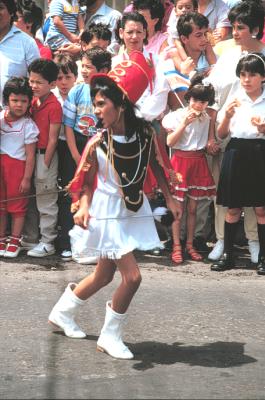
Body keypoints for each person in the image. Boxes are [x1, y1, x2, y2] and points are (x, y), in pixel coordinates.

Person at [48, 50, 180, 360]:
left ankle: (62, 313)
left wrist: (171, 198)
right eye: (95, 102)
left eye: (101, 103)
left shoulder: (146, 134)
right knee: (132, 277)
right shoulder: (97, 142)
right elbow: (83, 180)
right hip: (107, 213)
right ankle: (110, 335)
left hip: (132, 210)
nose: (96, 109)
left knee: (104, 275)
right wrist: (82, 206)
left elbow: (157, 167)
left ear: (120, 105)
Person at [205, 0, 265, 263]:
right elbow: (214, 101)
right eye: (233, 26)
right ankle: (222, 241)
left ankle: (255, 242)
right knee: (227, 196)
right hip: (227, 132)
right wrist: (212, 135)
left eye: (240, 27)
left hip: (258, 137)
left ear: (255, 28)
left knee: (258, 197)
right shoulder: (227, 56)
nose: (235, 32)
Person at [61, 47, 112, 263]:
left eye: (88, 67)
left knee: (98, 194)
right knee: (74, 192)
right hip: (79, 146)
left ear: (104, 70)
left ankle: (100, 244)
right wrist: (75, 154)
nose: (83, 71)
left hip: (102, 147)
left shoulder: (111, 92)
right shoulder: (76, 91)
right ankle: (68, 242)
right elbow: (69, 126)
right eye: (83, 66)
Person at [162, 74, 216, 264]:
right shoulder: (176, 116)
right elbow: (169, 142)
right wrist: (184, 124)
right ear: (188, 99)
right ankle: (176, 245)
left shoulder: (207, 117)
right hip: (180, 162)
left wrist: (211, 143)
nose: (198, 105)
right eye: (195, 100)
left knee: (193, 208)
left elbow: (209, 139)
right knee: (178, 209)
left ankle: (190, 244)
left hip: (198, 161)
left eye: (203, 101)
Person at [26, 59, 62, 258]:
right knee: (32, 197)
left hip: (44, 157)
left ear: (52, 84)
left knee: (46, 198)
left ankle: (48, 241)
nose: (34, 86)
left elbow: (53, 139)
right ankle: (31, 237)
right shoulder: (33, 101)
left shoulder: (54, 106)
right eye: (31, 81)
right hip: (31, 155)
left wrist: (46, 164)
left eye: (39, 82)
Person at [0, 77, 39, 258]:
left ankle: (15, 240)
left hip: (17, 169)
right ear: (7, 100)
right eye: (15, 100)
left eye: (24, 101)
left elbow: (30, 155)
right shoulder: (0, 119)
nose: (19, 105)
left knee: (17, 207)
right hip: (1, 167)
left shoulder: (28, 125)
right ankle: (2, 238)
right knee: (1, 205)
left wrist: (26, 178)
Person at [52, 53, 78, 261]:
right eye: (59, 78)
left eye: (67, 77)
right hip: (53, 147)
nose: (63, 82)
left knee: (72, 192)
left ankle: (72, 240)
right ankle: (59, 239)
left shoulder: (81, 94)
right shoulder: (51, 96)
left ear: (75, 78)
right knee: (56, 193)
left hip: (75, 147)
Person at [0, 0, 39, 109]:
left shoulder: (27, 43)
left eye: (0, 7)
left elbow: (37, 83)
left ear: (11, 12)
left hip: (15, 120)